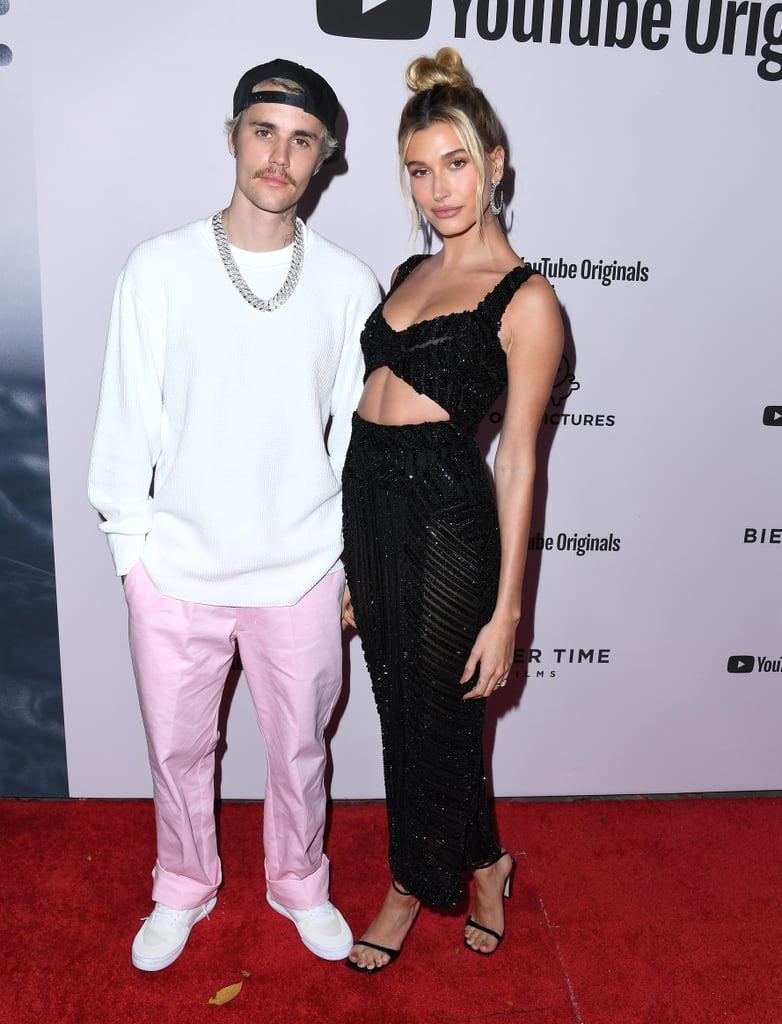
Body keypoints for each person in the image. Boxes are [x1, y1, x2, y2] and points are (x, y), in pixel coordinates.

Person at [88, 58, 380, 971]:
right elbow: (126, 418)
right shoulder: (159, 267)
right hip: (174, 574)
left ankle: (299, 882)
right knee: (177, 753)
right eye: (264, 131)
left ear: (324, 159)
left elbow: (353, 447)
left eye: (302, 141)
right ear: (233, 135)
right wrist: (132, 559)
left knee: (299, 753)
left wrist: (343, 562)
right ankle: (183, 883)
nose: (278, 155)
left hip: (299, 570)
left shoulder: (346, 282)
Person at [341, 47, 564, 972]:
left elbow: (518, 461)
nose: (439, 189)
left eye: (457, 164)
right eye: (420, 170)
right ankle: (487, 862)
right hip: (371, 518)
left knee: (431, 718)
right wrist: (352, 564)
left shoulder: (528, 300)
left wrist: (508, 611)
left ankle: (407, 883)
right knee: (402, 705)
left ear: (496, 161)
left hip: (445, 528)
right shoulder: (405, 269)